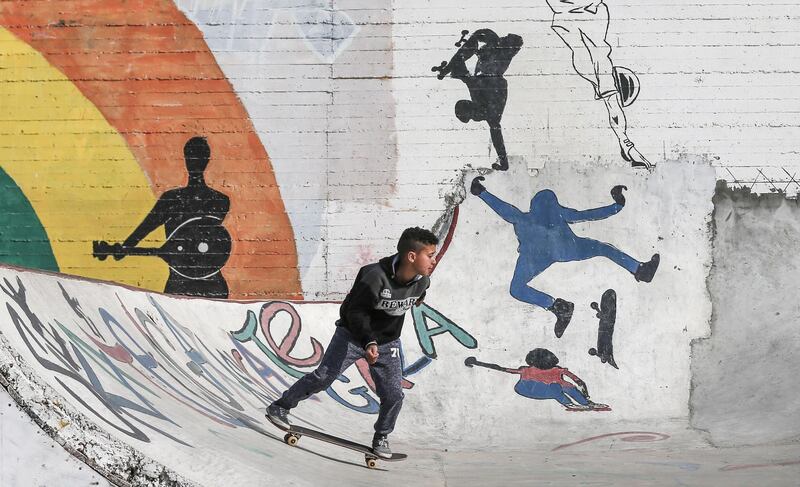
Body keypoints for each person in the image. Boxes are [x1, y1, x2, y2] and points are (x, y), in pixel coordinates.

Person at [266, 227, 439, 458]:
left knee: (394, 394)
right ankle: (281, 406)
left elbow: (418, 294)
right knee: (323, 377)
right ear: (411, 256)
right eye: (430, 255)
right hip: (353, 336)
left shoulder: (423, 282)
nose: (434, 261)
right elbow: (355, 312)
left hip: (389, 344)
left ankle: (381, 437)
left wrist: (416, 301)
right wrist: (368, 342)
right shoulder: (373, 276)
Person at [471, 176, 659, 337]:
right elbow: (590, 214)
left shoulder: (524, 218)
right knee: (603, 248)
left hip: (536, 257)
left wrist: (481, 192)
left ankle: (559, 307)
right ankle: (639, 270)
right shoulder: (557, 214)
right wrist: (617, 205)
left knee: (517, 288)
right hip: (565, 250)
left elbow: (502, 208)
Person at [546, 0, 653, 170]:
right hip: (575, 15)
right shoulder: (593, 49)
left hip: (584, 14)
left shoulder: (597, 55)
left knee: (603, 79)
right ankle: (626, 144)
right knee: (601, 75)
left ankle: (626, 144)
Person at [432, 29, 523, 171]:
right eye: (473, 117)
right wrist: (504, 162)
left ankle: (467, 58)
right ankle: (483, 51)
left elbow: (462, 68)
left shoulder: (477, 98)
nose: (475, 117)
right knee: (465, 70)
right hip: (494, 66)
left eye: (472, 115)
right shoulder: (491, 115)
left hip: (489, 64)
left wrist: (448, 70)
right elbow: (496, 136)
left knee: (462, 69)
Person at [465, 349, 607, 410]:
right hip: (529, 389)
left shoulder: (530, 369)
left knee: (565, 386)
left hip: (533, 389)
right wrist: (585, 393)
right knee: (558, 387)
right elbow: (580, 382)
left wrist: (477, 362)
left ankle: (584, 402)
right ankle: (570, 403)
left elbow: (500, 368)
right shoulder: (531, 370)